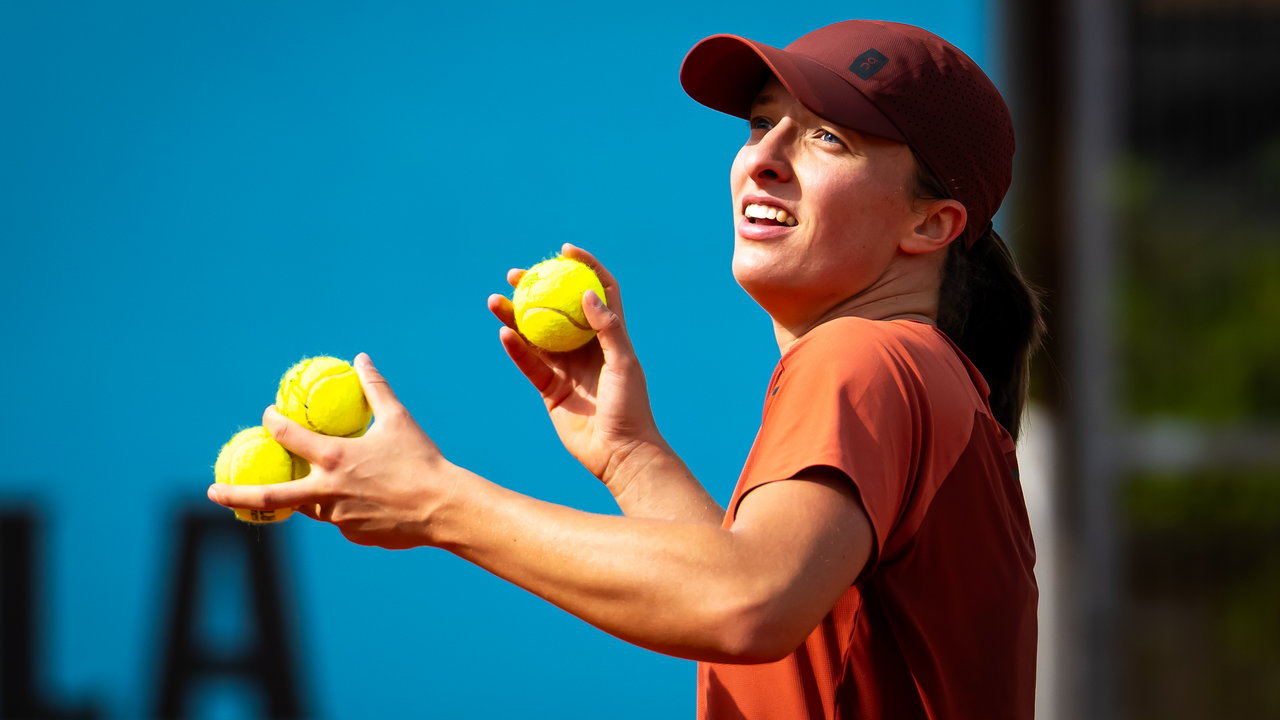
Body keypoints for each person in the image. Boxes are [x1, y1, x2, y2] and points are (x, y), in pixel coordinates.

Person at [208, 18, 1044, 720]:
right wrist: (632, 455)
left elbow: (748, 603)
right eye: (761, 124)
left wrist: (436, 501)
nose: (764, 158)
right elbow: (749, 607)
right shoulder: (917, 373)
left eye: (826, 137)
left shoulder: (867, 356)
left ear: (931, 226)